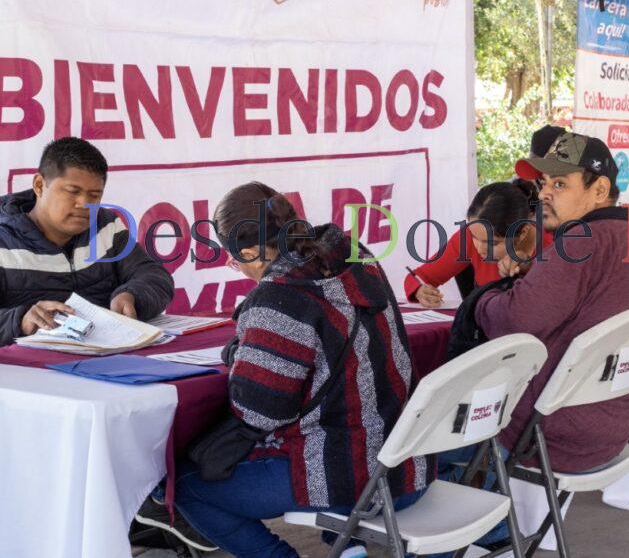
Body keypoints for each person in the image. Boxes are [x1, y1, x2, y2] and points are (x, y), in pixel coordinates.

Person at [137, 182, 429, 558]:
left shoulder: (278, 296)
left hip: (349, 477)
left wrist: (243, 352)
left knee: (184, 486)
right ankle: (347, 544)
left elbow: (259, 411)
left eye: (233, 260)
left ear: (248, 252)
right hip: (407, 464)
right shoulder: (354, 252)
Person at [470, 131, 629, 473]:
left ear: (600, 190)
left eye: (559, 184)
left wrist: (485, 299)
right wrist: (535, 272)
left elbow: (514, 320)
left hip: (550, 432)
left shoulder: (577, 243)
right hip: (614, 421)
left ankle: (488, 524)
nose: (544, 192)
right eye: (544, 182)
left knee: (430, 436)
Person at [0, 137, 174, 347]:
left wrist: (132, 295)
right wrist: (20, 320)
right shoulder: (4, 239)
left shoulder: (106, 225)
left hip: (109, 361)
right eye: (73, 191)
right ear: (39, 185)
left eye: (94, 195)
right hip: (27, 373)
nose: (84, 204)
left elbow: (154, 276)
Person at [403, 181, 552, 308]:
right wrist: (420, 290)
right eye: (475, 237)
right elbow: (417, 277)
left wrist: (528, 268)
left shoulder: (554, 247)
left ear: (523, 233)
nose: (479, 248)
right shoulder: (467, 237)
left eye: (492, 243)